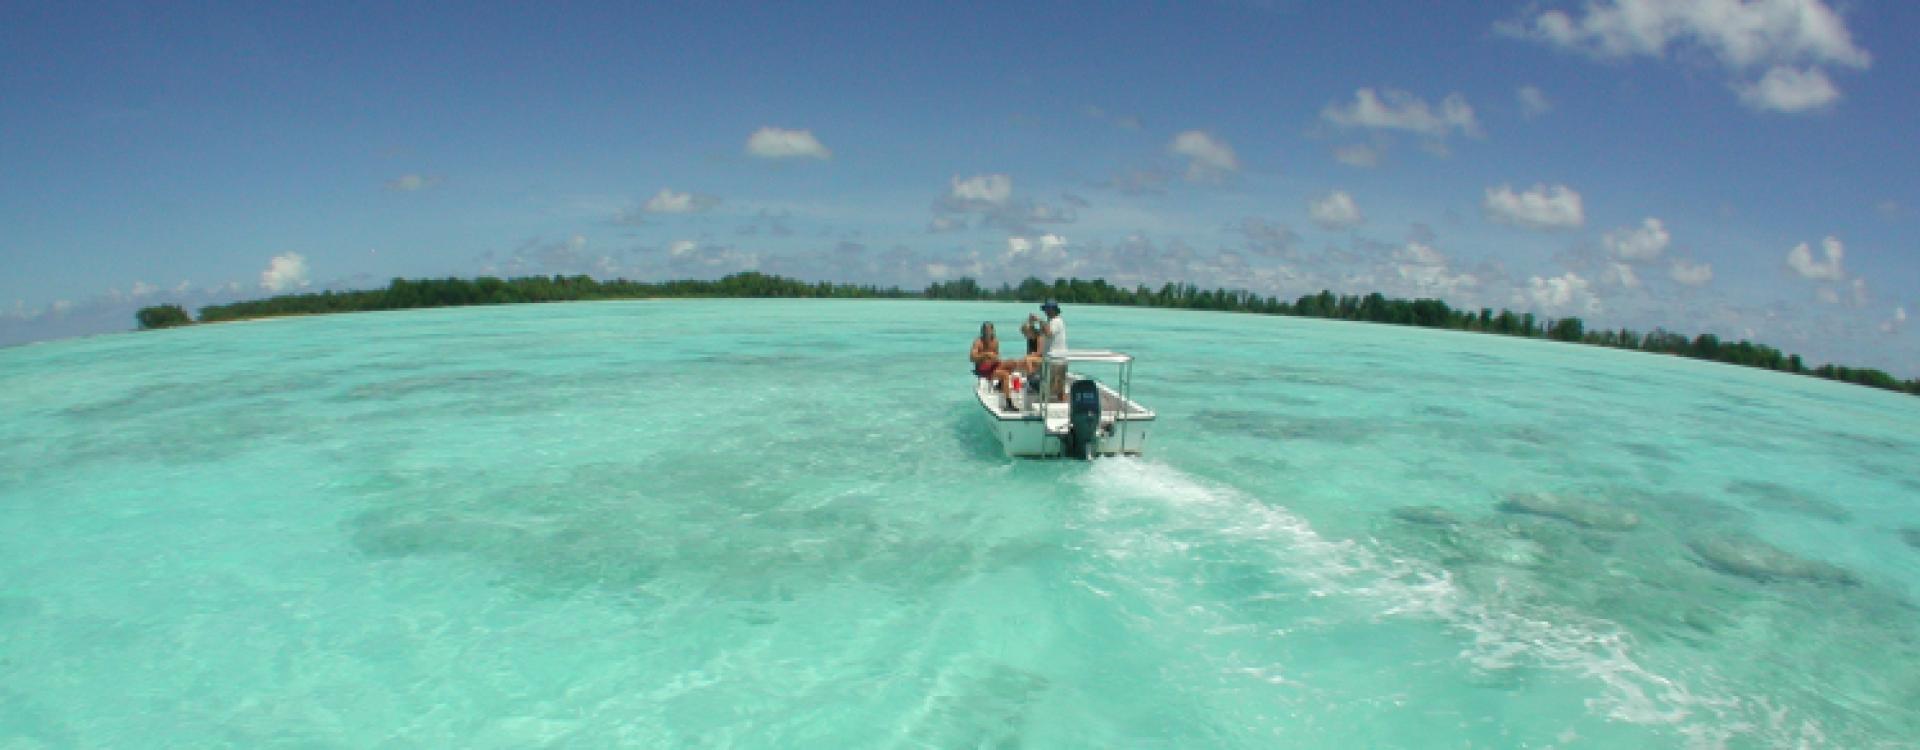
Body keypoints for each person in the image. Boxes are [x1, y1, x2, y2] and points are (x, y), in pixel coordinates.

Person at [1037, 299, 1068, 400]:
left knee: (1057, 387)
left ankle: (1047, 406)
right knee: (1056, 386)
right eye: (1045, 309)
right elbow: (1040, 333)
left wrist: (1039, 320)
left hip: (1056, 360)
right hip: (1052, 359)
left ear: (1053, 310)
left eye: (1047, 309)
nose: (1046, 311)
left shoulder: (1056, 321)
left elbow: (1049, 333)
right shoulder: (1050, 322)